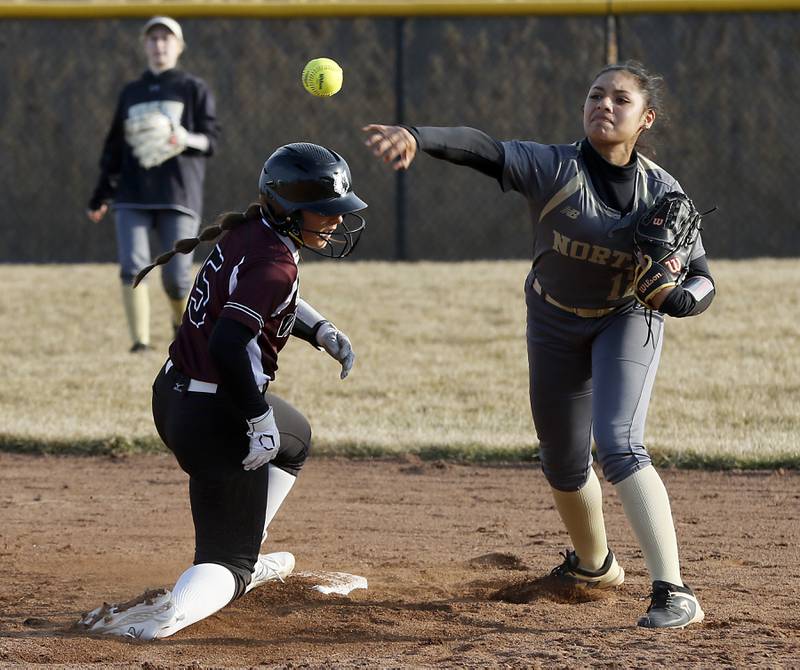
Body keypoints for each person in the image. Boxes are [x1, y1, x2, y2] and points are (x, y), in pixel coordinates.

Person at [363, 61, 715, 629]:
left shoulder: (664, 191)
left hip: (625, 318)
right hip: (551, 320)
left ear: (645, 118)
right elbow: (486, 149)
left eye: (619, 99)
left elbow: (703, 276)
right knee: (561, 458)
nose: (604, 104)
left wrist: (680, 300)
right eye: (595, 94)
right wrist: (417, 137)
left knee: (619, 443)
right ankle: (595, 567)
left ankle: (674, 591)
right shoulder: (556, 167)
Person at [79, 142, 367, 639]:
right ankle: (173, 613)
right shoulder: (275, 262)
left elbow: (265, 300)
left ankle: (244, 544)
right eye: (325, 211)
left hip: (175, 395)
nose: (337, 221)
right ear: (291, 211)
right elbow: (229, 344)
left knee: (295, 434)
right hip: (216, 415)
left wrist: (320, 329)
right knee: (226, 563)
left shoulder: (251, 232)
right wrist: (256, 421)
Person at [87, 16, 220, 353]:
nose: (159, 45)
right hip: (132, 193)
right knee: (132, 266)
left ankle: (182, 326)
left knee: (176, 278)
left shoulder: (193, 88)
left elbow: (210, 141)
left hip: (178, 193)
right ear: (144, 45)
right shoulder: (132, 92)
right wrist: (103, 192)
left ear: (179, 46)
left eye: (166, 38)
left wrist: (182, 136)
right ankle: (140, 344)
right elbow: (115, 146)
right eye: (153, 39)